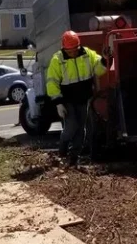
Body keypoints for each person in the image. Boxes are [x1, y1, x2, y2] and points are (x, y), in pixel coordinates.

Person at [46, 30, 107, 165]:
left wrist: (104, 60)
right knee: (71, 126)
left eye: (74, 50)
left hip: (83, 99)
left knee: (81, 130)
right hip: (67, 100)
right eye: (69, 51)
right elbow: (52, 82)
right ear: (64, 48)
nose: (72, 53)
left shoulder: (87, 54)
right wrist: (58, 103)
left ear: (78, 46)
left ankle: (74, 158)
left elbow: (98, 69)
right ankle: (62, 151)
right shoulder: (57, 60)